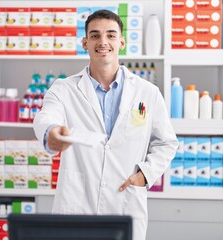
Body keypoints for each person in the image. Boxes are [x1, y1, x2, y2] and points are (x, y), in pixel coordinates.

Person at [33, 9, 178, 240]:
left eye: (111, 35)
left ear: (121, 42)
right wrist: (51, 133)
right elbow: (46, 117)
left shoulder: (147, 92)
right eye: (95, 35)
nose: (103, 42)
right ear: (85, 42)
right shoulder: (63, 89)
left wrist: (144, 174)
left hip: (124, 203)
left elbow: (167, 143)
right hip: (77, 205)